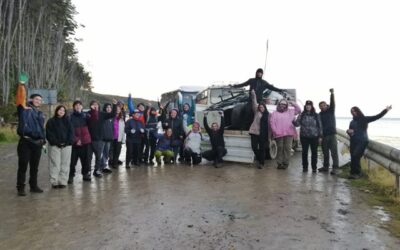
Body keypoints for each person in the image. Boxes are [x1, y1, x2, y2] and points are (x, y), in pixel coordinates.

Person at [346, 105, 392, 179]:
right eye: (352, 112)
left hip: (362, 141)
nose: (353, 113)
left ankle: (357, 173)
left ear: (358, 111)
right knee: (353, 157)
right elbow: (350, 131)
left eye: (355, 111)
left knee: (355, 155)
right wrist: (348, 131)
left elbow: (377, 116)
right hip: (353, 141)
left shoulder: (364, 119)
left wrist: (386, 110)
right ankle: (353, 172)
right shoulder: (352, 122)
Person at [16, 93, 46, 196]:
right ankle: (20, 188)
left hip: (37, 143)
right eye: (36, 99)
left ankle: (33, 186)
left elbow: (42, 128)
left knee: (35, 167)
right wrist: (22, 85)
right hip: (26, 142)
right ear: (31, 99)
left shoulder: (41, 113)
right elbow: (20, 100)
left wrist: (43, 139)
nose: (38, 101)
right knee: (23, 165)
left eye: (40, 100)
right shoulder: (24, 109)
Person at [45, 105, 74, 188]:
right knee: (55, 163)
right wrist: (56, 143)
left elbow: (71, 133)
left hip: (67, 146)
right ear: (56, 110)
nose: (62, 111)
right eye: (60, 110)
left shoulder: (68, 121)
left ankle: (63, 181)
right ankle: (54, 181)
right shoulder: (51, 121)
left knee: (65, 164)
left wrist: (67, 143)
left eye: (63, 110)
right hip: (54, 146)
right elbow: (49, 134)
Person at [87, 99, 117, 178]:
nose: (95, 106)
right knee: (88, 157)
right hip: (89, 139)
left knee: (98, 156)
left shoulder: (102, 114)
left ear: (99, 106)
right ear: (90, 106)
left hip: (99, 139)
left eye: (96, 104)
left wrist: (114, 105)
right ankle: (88, 171)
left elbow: (113, 114)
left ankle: (96, 170)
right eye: (93, 104)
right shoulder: (88, 114)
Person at [269, 99, 301, 169]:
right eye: (281, 104)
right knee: (280, 148)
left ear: (286, 105)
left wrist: (292, 102)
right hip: (279, 134)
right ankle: (279, 163)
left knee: (287, 149)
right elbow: (272, 123)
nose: (282, 105)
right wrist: (275, 131)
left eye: (284, 104)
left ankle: (285, 163)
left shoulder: (290, 112)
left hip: (289, 133)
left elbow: (299, 110)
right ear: (279, 105)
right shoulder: (275, 113)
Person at [294, 100, 322, 173]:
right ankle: (305, 167)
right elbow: (297, 124)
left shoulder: (316, 115)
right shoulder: (302, 115)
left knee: (314, 153)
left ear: (312, 106)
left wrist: (320, 137)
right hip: (304, 137)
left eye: (309, 105)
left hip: (314, 137)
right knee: (304, 152)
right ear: (305, 106)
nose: (308, 106)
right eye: (307, 105)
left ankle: (314, 168)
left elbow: (320, 126)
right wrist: (293, 120)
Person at [69, 100, 92, 183]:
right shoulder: (70, 117)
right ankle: (71, 175)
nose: (78, 106)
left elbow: (93, 124)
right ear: (74, 107)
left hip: (85, 142)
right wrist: (76, 140)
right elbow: (69, 131)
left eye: (79, 105)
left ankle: (85, 174)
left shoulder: (86, 116)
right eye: (76, 105)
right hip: (74, 144)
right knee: (72, 161)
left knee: (86, 160)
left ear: (82, 107)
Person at [318, 89, 339, 174]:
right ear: (320, 107)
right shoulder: (319, 115)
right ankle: (326, 167)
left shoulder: (331, 111)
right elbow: (318, 126)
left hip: (332, 135)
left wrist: (332, 94)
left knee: (334, 152)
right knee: (325, 153)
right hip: (324, 136)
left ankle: (335, 168)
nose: (322, 107)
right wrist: (319, 136)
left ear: (327, 105)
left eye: (324, 105)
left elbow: (333, 103)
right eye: (321, 106)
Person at [248, 89, 269, 169]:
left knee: (262, 149)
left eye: (262, 107)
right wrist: (253, 94)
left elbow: (269, 126)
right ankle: (260, 159)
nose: (261, 108)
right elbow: (254, 102)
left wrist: (269, 136)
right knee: (254, 147)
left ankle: (261, 163)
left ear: (265, 107)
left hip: (263, 134)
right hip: (254, 132)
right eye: (260, 107)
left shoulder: (267, 115)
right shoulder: (256, 112)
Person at [100, 103, 114, 174]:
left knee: (106, 153)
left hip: (109, 138)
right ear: (105, 108)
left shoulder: (111, 117)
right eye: (107, 107)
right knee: (100, 153)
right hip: (102, 138)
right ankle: (99, 167)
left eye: (110, 107)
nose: (109, 108)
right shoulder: (102, 115)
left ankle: (104, 166)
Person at [110, 104, 125, 168]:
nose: (117, 110)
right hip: (111, 137)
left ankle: (115, 163)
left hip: (119, 138)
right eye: (116, 109)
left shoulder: (122, 118)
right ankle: (111, 161)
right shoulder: (111, 117)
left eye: (119, 109)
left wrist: (123, 139)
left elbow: (123, 129)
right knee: (111, 151)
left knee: (117, 150)